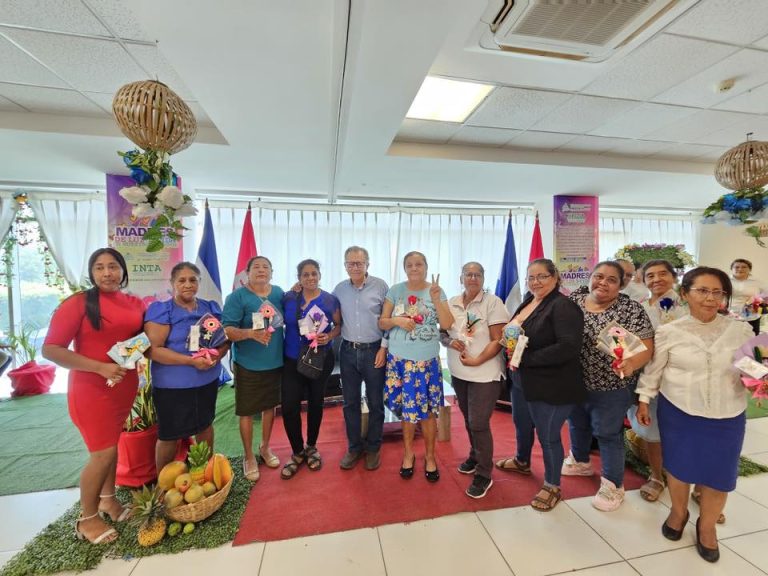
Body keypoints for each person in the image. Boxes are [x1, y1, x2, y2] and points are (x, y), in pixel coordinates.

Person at [636, 267, 754, 563]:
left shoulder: (741, 331)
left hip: (729, 413)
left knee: (720, 473)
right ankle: (679, 512)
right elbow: (654, 371)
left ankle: (707, 526)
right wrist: (643, 400)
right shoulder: (669, 332)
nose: (710, 298)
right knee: (679, 469)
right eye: (702, 291)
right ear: (685, 293)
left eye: (718, 292)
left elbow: (754, 368)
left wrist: (761, 376)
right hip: (681, 410)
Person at [42, 248, 145, 544]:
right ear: (92, 273)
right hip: (90, 390)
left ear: (123, 271)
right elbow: (51, 349)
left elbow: (139, 342)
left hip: (122, 387)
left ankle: (108, 501)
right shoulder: (77, 304)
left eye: (113, 267)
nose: (107, 273)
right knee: (103, 454)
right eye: (99, 268)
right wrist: (99, 367)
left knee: (112, 447)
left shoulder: (135, 302)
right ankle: (87, 519)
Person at [564, 261, 654, 511]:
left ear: (622, 284)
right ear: (590, 277)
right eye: (599, 276)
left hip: (612, 384)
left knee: (607, 432)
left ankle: (614, 485)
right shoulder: (575, 300)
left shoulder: (629, 309)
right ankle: (580, 462)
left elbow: (647, 347)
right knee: (577, 422)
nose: (603, 283)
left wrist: (631, 363)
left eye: (611, 280)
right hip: (573, 380)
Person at [495, 259, 585, 510]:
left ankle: (552, 485)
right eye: (531, 277)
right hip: (522, 379)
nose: (536, 282)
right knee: (522, 424)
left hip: (551, 384)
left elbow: (568, 347)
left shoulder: (563, 306)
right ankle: (522, 461)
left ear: (555, 277)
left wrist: (526, 358)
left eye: (542, 276)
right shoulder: (529, 300)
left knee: (547, 436)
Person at [145, 262, 230, 473]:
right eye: (182, 280)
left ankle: (203, 474)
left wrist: (218, 355)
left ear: (199, 283)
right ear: (173, 283)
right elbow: (152, 350)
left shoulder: (210, 308)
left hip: (206, 381)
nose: (188, 284)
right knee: (169, 435)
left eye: (193, 280)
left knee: (205, 426)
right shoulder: (162, 310)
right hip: (172, 386)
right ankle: (164, 485)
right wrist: (190, 361)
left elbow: (224, 340)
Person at [379, 251, 453, 482]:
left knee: (429, 413)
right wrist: (396, 321)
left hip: (426, 362)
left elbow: (448, 323)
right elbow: (382, 321)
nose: (414, 268)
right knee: (407, 412)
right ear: (404, 267)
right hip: (399, 361)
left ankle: (430, 457)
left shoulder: (436, 291)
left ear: (426, 266)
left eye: (418, 264)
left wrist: (437, 297)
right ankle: (408, 454)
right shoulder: (396, 290)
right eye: (409, 265)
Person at [442, 262, 508, 498]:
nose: (472, 278)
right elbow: (443, 332)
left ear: (482, 278)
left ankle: (484, 473)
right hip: (459, 372)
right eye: (468, 274)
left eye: (477, 274)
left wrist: (478, 360)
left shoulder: (493, 302)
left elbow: (498, 339)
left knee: (479, 423)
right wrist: (450, 342)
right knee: (470, 420)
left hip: (485, 372)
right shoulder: (451, 302)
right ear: (461, 278)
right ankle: (475, 455)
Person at [626, 259, 686, 503]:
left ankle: (688, 479)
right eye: (650, 275)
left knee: (681, 429)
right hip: (643, 373)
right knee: (651, 427)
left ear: (673, 276)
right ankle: (656, 476)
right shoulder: (639, 304)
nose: (656, 279)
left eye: (663, 274)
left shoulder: (683, 305)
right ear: (643, 279)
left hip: (675, 376)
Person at [222, 256, 285, 482]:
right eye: (256, 267)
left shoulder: (278, 293)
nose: (261, 270)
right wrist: (250, 334)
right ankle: (249, 456)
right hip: (248, 363)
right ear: (247, 273)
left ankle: (265, 448)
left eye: (266, 267)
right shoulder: (237, 297)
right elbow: (226, 329)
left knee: (269, 407)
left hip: (275, 361)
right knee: (247, 411)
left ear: (272, 272)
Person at [280, 259, 341, 479]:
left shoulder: (330, 300)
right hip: (291, 359)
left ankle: (312, 446)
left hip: (319, 358)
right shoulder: (288, 297)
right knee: (289, 406)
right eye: (305, 274)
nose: (310, 278)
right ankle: (297, 451)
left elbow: (338, 326)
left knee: (316, 402)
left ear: (320, 275)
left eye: (314, 273)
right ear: (299, 278)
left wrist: (329, 336)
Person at [333, 246, 389, 471]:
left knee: (376, 402)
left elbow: (388, 319)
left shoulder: (381, 286)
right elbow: (325, 310)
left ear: (368, 264)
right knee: (350, 402)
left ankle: (374, 447)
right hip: (347, 351)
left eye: (359, 263)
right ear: (345, 265)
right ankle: (354, 447)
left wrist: (383, 348)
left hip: (374, 350)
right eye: (350, 263)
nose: (354, 267)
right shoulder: (338, 289)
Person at [729, 259, 766, 335]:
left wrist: (757, 299)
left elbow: (766, 295)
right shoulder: (726, 280)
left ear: (749, 269)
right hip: (730, 316)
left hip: (752, 317)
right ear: (732, 269)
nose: (740, 269)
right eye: (736, 267)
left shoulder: (757, 282)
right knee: (731, 342)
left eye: (744, 267)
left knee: (752, 341)